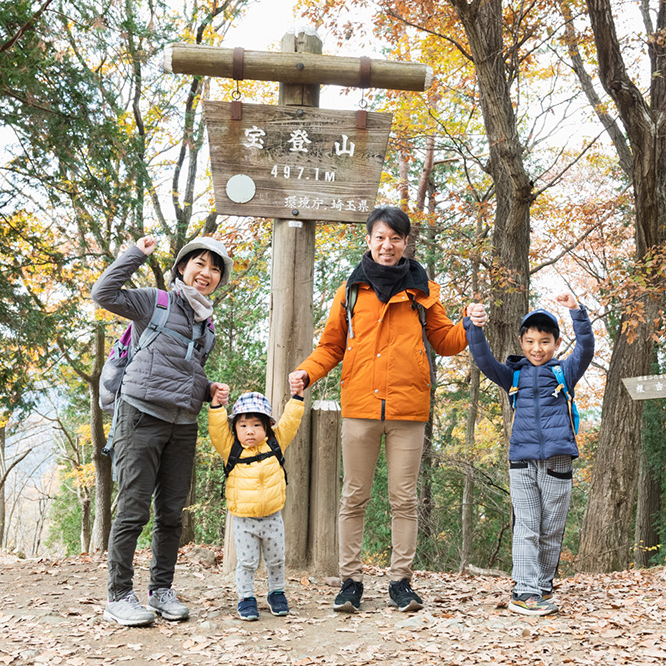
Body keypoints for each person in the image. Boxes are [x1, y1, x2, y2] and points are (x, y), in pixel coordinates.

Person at [288, 205, 486, 613]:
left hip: (407, 410)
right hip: (360, 406)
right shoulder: (350, 292)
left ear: (406, 243)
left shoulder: (422, 290)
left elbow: (446, 342)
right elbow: (331, 347)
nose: (387, 245)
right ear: (369, 240)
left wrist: (469, 323)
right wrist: (307, 373)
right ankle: (350, 582)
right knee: (354, 497)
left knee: (404, 499)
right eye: (380, 237)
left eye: (395, 238)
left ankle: (401, 583)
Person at [92, 234, 233, 627]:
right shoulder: (153, 302)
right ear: (183, 267)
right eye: (200, 264)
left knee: (171, 514)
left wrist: (207, 390)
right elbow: (103, 293)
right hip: (139, 415)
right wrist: (136, 254)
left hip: (183, 425)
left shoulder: (207, 326)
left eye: (215, 268)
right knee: (133, 509)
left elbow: (185, 370)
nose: (207, 273)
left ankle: (161, 591)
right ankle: (119, 595)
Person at [466, 292, 594, 616]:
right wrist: (473, 326)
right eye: (531, 341)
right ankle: (524, 591)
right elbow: (484, 360)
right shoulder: (514, 376)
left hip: (558, 460)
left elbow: (587, 348)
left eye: (545, 341)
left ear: (556, 343)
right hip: (521, 461)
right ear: (521, 342)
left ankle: (542, 584)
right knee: (526, 525)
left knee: (551, 528)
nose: (537, 348)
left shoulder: (565, 372)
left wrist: (577, 312)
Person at [207, 378, 306, 621]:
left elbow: (290, 423)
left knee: (276, 559)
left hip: (272, 516)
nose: (249, 431)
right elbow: (218, 429)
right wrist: (217, 405)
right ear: (236, 428)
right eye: (243, 425)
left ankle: (276, 593)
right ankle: (246, 597)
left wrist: (297, 398)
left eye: (255, 425)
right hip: (243, 520)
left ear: (267, 427)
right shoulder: (231, 449)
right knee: (247, 562)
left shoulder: (274, 443)